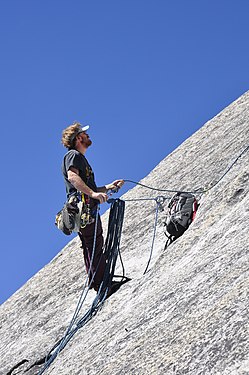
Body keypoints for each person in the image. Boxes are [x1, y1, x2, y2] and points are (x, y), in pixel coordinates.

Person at [61, 122, 124, 292]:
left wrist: (108, 187)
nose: (88, 136)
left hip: (86, 207)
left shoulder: (79, 157)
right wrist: (93, 194)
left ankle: (98, 282)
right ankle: (102, 283)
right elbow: (73, 177)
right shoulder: (73, 155)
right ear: (79, 138)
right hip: (84, 207)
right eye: (85, 134)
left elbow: (86, 186)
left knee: (92, 243)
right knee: (94, 243)